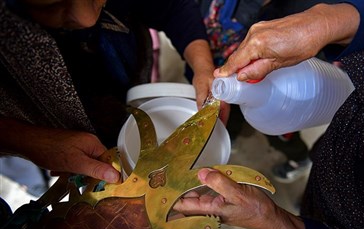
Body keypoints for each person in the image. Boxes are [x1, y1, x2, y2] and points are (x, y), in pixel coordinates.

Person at [174, 0, 364, 229]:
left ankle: (298, 159)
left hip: (347, 222)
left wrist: (274, 222)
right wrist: (328, 22)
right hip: (335, 155)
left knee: (288, 137)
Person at [0, 0, 216, 187]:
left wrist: (203, 67)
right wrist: (32, 142)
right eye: (53, 6)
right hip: (58, 134)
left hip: (129, 83)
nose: (87, 19)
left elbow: (172, 8)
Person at [196, 0, 342, 184]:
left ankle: (299, 157)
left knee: (281, 135)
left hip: (279, 91)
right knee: (230, 113)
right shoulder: (213, 7)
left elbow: (318, 53)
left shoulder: (296, 11)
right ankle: (231, 134)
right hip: (226, 73)